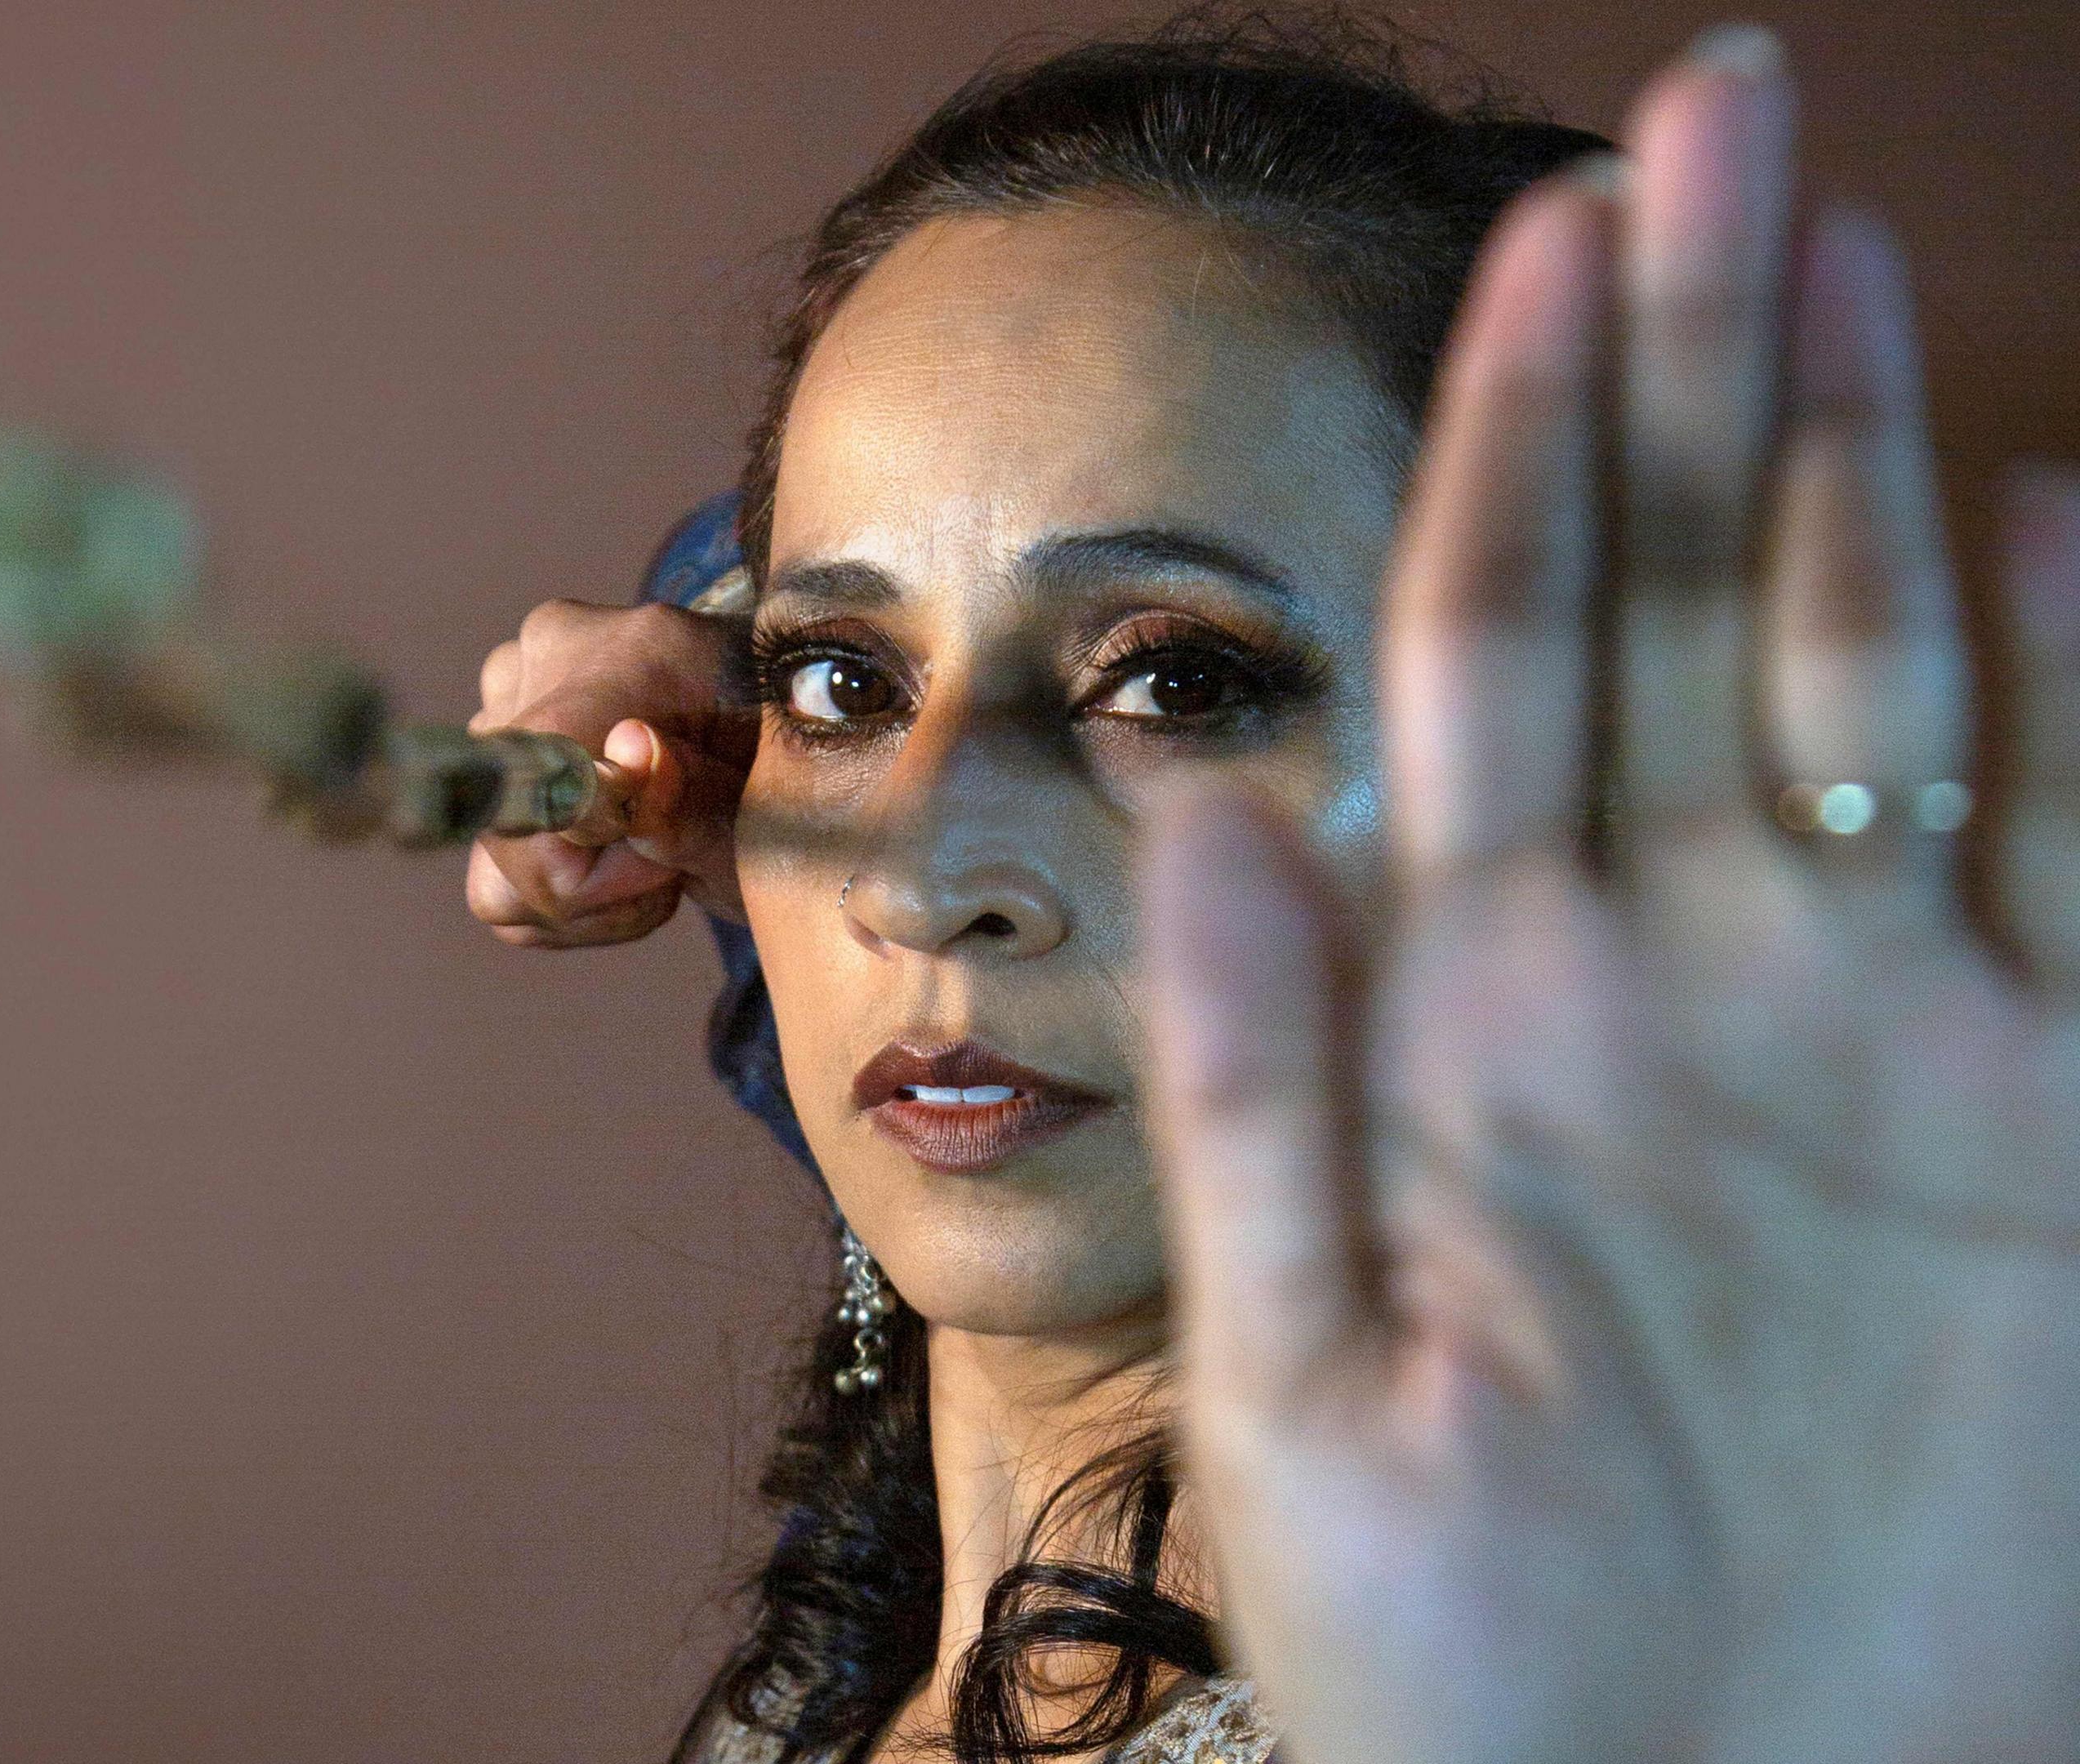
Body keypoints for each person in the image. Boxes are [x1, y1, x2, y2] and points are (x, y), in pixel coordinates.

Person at [464, 14, 2080, 1764]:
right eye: (843, 683)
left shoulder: (1599, 1705)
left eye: (1176, 681)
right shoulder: (842, 1687)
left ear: (1571, 766)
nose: (919, 878)